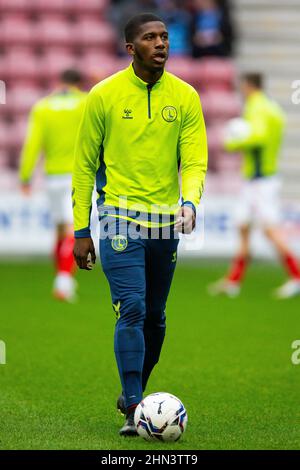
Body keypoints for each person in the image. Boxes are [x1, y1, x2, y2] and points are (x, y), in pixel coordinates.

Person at [72, 13, 207, 436]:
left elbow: (195, 159)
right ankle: (134, 406)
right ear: (131, 48)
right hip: (119, 220)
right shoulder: (104, 95)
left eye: (165, 36)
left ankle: (137, 392)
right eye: (150, 38)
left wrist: (190, 202)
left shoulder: (185, 96)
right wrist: (81, 230)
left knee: (155, 317)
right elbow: (83, 168)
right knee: (131, 308)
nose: (161, 43)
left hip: (165, 224)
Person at [209, 73, 300, 299]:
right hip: (256, 180)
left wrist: (232, 142)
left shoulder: (257, 106)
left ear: (249, 86)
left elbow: (257, 137)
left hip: (261, 181)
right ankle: (233, 281)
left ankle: (297, 276)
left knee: (270, 229)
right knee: (242, 226)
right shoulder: (271, 107)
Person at [19, 69, 87, 302]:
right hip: (77, 176)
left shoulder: (43, 106)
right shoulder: (85, 103)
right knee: (72, 229)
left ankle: (62, 276)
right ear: (79, 83)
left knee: (59, 229)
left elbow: (33, 143)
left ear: (59, 82)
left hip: (52, 177)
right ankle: (64, 282)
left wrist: (26, 176)